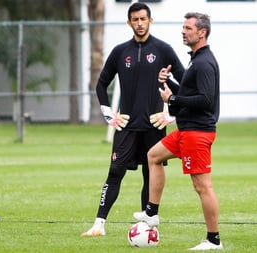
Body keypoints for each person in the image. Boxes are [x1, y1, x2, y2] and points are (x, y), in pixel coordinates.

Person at [81, 2, 184, 237]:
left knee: (151, 175)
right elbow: (101, 83)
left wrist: (170, 114)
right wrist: (109, 113)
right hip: (126, 126)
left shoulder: (163, 50)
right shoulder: (120, 52)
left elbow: (186, 83)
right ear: (129, 22)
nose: (139, 23)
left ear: (150, 21)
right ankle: (99, 224)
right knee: (115, 172)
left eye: (143, 19)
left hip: (154, 127)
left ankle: (145, 227)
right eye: (135, 19)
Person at [133, 12, 222, 250]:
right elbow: (188, 93)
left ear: (201, 32)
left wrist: (172, 98)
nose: (183, 31)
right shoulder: (196, 59)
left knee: (202, 186)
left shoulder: (204, 62)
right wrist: (168, 82)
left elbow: (205, 100)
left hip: (197, 133)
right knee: (153, 156)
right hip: (185, 130)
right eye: (183, 27)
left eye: (188, 28)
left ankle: (214, 240)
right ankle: (151, 213)